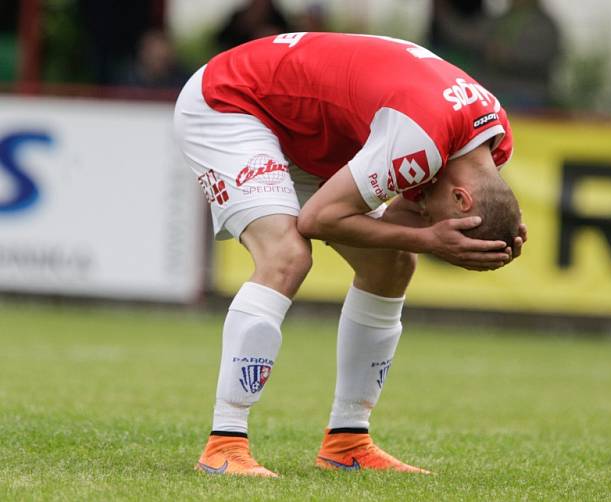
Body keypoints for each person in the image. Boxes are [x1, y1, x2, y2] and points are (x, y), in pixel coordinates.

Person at [173, 32, 525, 477]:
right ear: (462, 201)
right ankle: (224, 444)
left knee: (392, 262)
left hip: (307, 127)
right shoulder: (420, 138)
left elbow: (408, 213)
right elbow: (318, 219)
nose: (424, 212)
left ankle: (348, 441)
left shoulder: (491, 142)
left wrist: (499, 227)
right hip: (233, 101)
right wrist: (432, 240)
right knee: (287, 254)